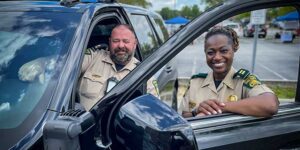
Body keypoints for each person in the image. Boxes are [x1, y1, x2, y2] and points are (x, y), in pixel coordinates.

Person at [18, 24, 159, 110]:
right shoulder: (93, 57)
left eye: (126, 41)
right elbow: (65, 63)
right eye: (116, 41)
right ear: (109, 42)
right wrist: (42, 62)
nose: (121, 45)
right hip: (81, 130)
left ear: (134, 44)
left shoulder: (144, 74)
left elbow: (152, 112)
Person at [179, 26, 279, 118]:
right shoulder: (195, 82)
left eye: (224, 51)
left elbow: (270, 104)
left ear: (233, 50)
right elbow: (184, 116)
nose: (217, 57)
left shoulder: (243, 81)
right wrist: (196, 112)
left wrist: (221, 107)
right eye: (210, 52)